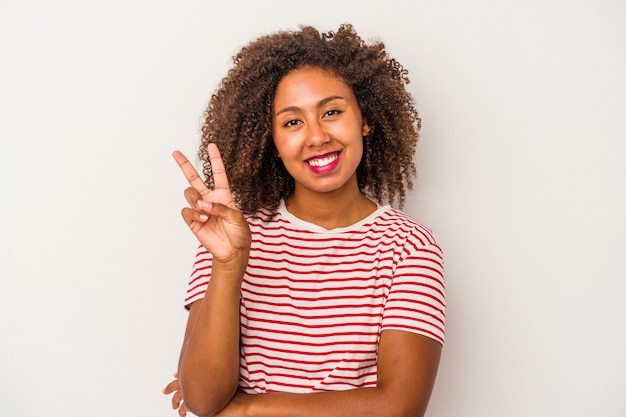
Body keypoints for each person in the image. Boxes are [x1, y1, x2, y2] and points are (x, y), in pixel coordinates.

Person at [163, 24, 445, 417]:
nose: (316, 137)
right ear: (272, 141)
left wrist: (246, 409)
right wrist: (228, 266)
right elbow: (203, 398)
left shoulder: (409, 247)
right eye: (292, 122)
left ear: (365, 119)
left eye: (331, 112)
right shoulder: (232, 234)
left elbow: (398, 407)